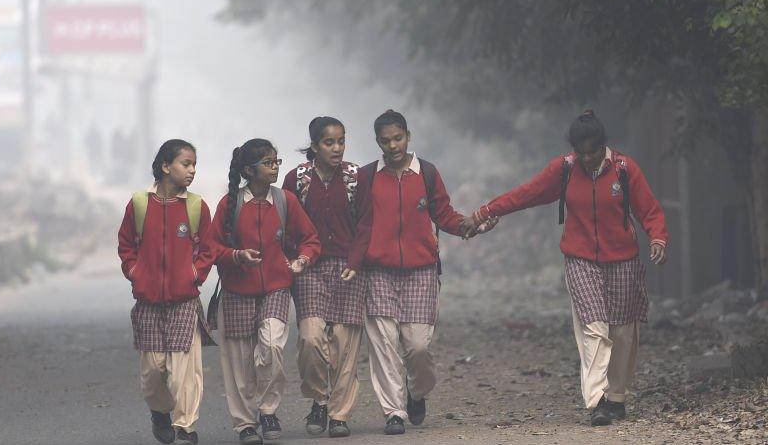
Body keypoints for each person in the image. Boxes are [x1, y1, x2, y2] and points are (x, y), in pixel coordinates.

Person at [468, 109, 668, 426]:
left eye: (594, 152)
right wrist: (485, 212)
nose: (587, 159)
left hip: (623, 261)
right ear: (573, 149)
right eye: (581, 152)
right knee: (594, 327)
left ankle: (617, 396)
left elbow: (650, 210)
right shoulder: (564, 169)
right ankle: (597, 400)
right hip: (580, 259)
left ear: (605, 145)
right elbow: (526, 194)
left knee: (623, 332)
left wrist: (658, 239)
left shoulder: (625, 169)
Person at [346, 109, 495, 435]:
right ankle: (394, 412)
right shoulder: (368, 177)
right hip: (378, 272)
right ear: (377, 143)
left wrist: (472, 226)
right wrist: (353, 263)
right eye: (385, 141)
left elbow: (444, 215)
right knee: (383, 345)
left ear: (408, 137)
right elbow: (358, 223)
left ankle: (418, 392)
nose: (393, 145)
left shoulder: (426, 173)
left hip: (421, 271)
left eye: (397, 138)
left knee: (417, 347)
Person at [207, 138, 321, 445]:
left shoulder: (285, 201)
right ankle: (245, 423)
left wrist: (301, 261)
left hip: (276, 288)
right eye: (269, 163)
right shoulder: (229, 205)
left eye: (276, 161)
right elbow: (211, 247)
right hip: (236, 292)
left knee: (271, 347)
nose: (275, 167)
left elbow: (311, 239)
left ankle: (268, 410)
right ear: (249, 170)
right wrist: (236, 256)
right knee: (239, 364)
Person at [117, 139, 216, 445]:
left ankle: (185, 425)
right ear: (165, 166)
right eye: (186, 164)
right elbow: (126, 246)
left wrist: (193, 275)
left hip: (184, 300)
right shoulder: (139, 203)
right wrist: (136, 274)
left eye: (194, 165)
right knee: (153, 372)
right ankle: (160, 413)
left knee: (185, 369)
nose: (192, 171)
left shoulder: (197, 206)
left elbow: (208, 250)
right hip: (148, 301)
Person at [281, 116, 362, 438]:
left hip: (349, 267)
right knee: (311, 338)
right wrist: (294, 260)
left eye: (341, 141)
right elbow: (284, 224)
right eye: (329, 142)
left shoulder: (356, 177)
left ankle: (339, 415)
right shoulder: (297, 179)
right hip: (310, 267)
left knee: (345, 345)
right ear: (314, 146)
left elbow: (366, 223)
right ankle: (319, 399)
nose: (337, 148)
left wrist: (357, 260)